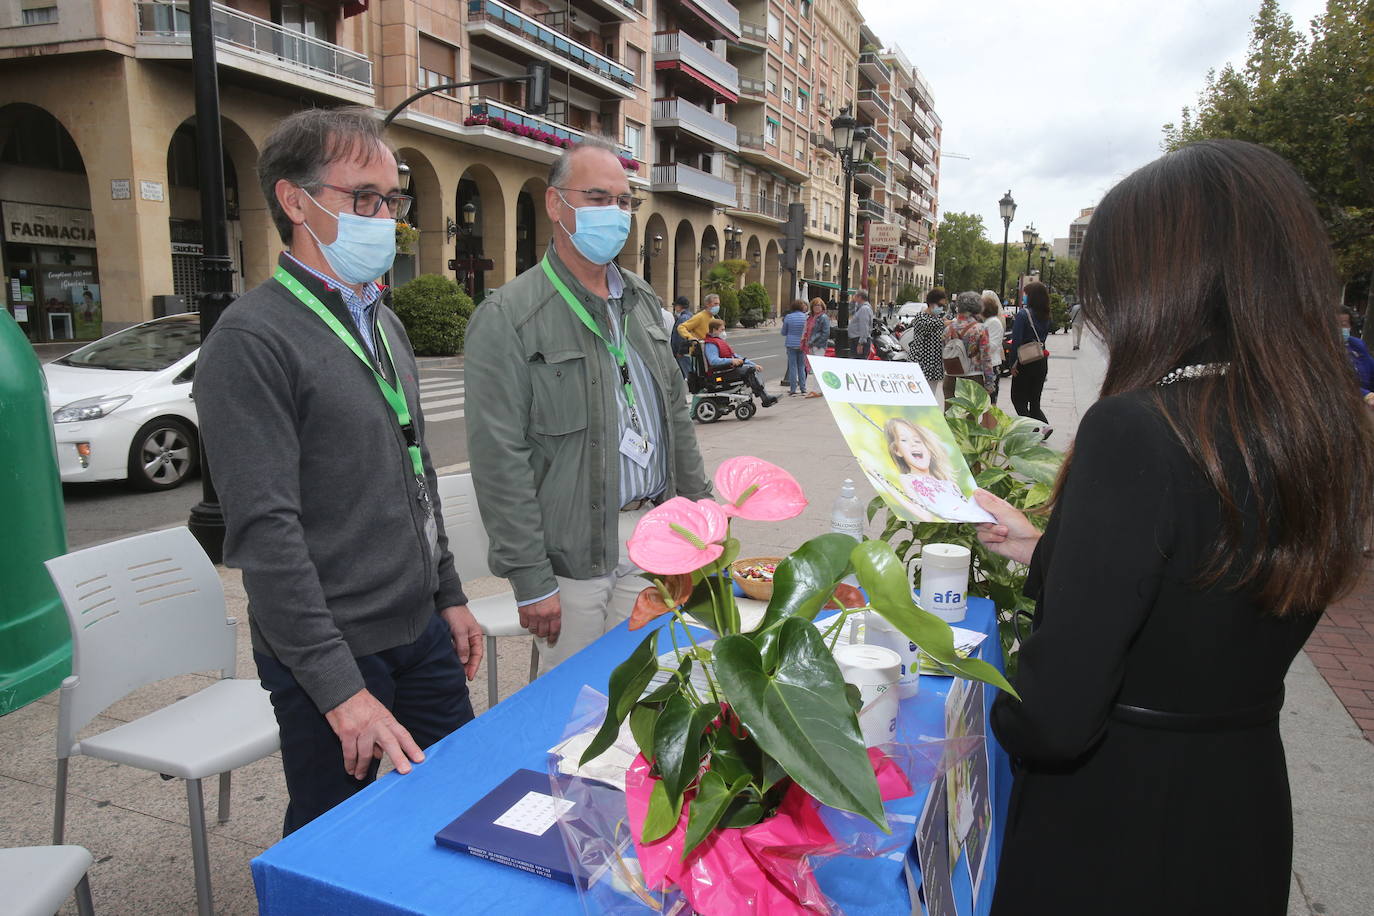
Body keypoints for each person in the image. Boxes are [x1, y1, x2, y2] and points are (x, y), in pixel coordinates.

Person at [972, 139, 1374, 916]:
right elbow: (1208, 580)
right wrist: (1051, 547)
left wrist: (984, 704)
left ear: (1165, 281)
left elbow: (1051, 718)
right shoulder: (1324, 430)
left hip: (1113, 825)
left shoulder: (1138, 430)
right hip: (1241, 805)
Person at [194, 107, 482, 835]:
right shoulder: (252, 339)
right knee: (335, 837)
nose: (386, 218)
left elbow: (416, 471)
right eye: (365, 199)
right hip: (329, 649)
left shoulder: (382, 321)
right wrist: (336, 687)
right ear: (296, 201)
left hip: (418, 629)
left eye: (393, 200)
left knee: (460, 802)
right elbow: (266, 535)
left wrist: (447, 592)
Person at [464, 137, 711, 668]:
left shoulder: (642, 301)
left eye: (624, 201)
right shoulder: (508, 315)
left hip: (652, 540)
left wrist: (702, 523)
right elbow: (498, 459)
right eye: (599, 198)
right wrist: (530, 578)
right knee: (571, 716)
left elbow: (675, 417)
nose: (616, 214)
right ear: (557, 205)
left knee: (641, 697)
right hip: (572, 560)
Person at [881, 416, 981, 520]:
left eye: (917, 440)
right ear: (898, 451)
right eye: (904, 440)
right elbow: (925, 515)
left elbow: (968, 509)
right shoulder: (908, 479)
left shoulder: (949, 484)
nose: (913, 444)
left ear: (929, 450)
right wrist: (884, 484)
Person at [1008, 280, 1054, 438]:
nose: (1024, 297)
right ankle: (1044, 427)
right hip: (1041, 360)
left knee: (1017, 398)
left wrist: (1012, 364)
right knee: (1034, 400)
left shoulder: (1023, 314)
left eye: (1026, 294)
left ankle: (1033, 428)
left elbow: (1016, 342)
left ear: (1031, 296)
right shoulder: (1046, 315)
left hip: (1025, 362)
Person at [705, 318, 779, 406]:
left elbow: (736, 356)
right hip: (720, 372)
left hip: (727, 369)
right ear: (714, 330)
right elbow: (713, 361)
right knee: (750, 371)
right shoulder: (711, 344)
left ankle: (764, 396)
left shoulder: (719, 341)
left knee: (752, 369)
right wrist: (731, 360)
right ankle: (765, 397)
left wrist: (753, 364)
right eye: (722, 330)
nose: (724, 332)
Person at [942, 291, 995, 401]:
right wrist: (989, 382)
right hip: (972, 377)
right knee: (969, 416)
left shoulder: (948, 329)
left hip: (950, 377)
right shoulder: (980, 329)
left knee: (950, 415)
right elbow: (986, 357)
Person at [906, 288, 948, 407]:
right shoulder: (921, 317)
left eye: (943, 306)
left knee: (930, 397)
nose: (941, 308)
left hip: (934, 363)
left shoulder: (937, 318)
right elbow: (930, 325)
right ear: (931, 303)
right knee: (918, 398)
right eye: (940, 305)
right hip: (921, 362)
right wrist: (948, 323)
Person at [1338, 306, 1374, 405]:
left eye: (1344, 325)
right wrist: (1366, 395)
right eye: (1335, 325)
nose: (1340, 329)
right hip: (1347, 403)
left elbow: (1371, 366)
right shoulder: (1324, 350)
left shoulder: (1357, 345)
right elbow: (1339, 382)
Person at [780, 298, 809, 396]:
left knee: (793, 367)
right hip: (802, 343)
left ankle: (793, 389)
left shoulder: (788, 317)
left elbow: (783, 332)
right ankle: (803, 388)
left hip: (791, 344)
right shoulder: (805, 317)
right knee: (801, 366)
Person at [803, 297, 831, 398]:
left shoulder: (823, 317)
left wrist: (817, 343)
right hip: (811, 345)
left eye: (819, 305)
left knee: (817, 368)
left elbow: (826, 333)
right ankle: (816, 389)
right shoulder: (811, 317)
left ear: (822, 306)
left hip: (818, 346)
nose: (817, 307)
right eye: (815, 305)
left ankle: (818, 390)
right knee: (815, 368)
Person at [981, 290, 1005, 401]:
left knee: (990, 402)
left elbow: (992, 345)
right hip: (985, 365)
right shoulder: (987, 322)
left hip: (992, 365)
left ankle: (990, 419)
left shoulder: (993, 322)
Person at [670, 295, 692, 377]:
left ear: (679, 306)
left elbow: (682, 337)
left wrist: (680, 351)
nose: (675, 308)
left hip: (683, 353)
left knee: (687, 374)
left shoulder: (683, 318)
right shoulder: (689, 316)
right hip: (685, 351)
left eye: (675, 306)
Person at [848, 291, 874, 358]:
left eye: (855, 296)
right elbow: (850, 311)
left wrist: (861, 343)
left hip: (859, 339)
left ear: (860, 297)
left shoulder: (864, 309)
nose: (854, 297)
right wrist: (853, 302)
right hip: (856, 338)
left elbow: (864, 326)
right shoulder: (860, 308)